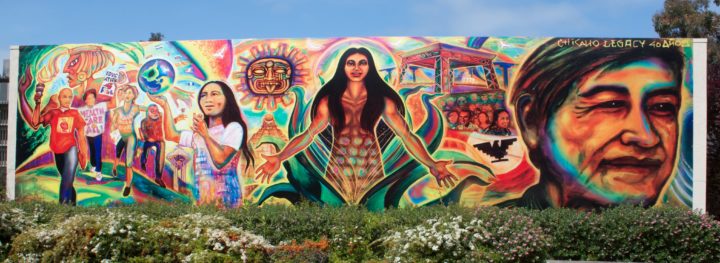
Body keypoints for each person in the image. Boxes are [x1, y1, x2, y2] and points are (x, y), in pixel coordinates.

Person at [256, 47, 457, 204]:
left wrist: (432, 163)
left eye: (362, 63)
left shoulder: (382, 100)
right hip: (336, 170)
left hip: (371, 169)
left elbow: (406, 135)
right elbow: (309, 135)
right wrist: (280, 157)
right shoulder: (329, 100)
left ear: (369, 68)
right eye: (350, 63)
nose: (356, 68)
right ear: (343, 67)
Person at [508, 38, 685, 208]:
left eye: (662, 106)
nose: (645, 137)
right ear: (531, 123)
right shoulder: (493, 230)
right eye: (610, 104)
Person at [149, 81, 254, 208]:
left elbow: (220, 160)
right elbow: (171, 135)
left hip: (228, 201)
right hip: (203, 201)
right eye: (203, 95)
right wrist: (165, 106)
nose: (208, 99)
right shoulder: (200, 133)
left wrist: (205, 134)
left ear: (227, 99)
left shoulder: (233, 128)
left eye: (214, 94)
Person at [29, 88, 90, 205]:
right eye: (64, 97)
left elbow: (81, 136)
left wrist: (83, 154)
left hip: (71, 149)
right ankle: (72, 204)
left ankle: (63, 206)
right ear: (59, 98)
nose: (67, 100)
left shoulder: (75, 113)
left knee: (67, 178)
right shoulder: (53, 113)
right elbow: (35, 122)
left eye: (70, 97)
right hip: (57, 151)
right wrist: (37, 104)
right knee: (67, 180)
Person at [110, 85, 146, 196]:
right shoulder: (117, 110)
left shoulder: (135, 108)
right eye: (126, 92)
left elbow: (149, 109)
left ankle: (128, 185)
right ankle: (115, 168)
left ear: (134, 96)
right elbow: (113, 126)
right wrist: (114, 127)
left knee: (128, 162)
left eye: (130, 93)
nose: (127, 95)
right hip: (121, 136)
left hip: (131, 136)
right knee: (117, 154)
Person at [77, 89, 118, 181]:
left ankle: (99, 172)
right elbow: (72, 113)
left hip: (98, 134)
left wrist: (114, 92)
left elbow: (113, 104)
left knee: (98, 152)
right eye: (88, 98)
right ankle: (94, 165)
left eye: (92, 98)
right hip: (88, 135)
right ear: (85, 100)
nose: (90, 100)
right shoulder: (81, 110)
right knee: (92, 152)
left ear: (95, 99)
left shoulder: (101, 106)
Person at [139, 105, 167, 188]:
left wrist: (177, 119)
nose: (155, 112)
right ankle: (143, 162)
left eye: (156, 110)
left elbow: (168, 123)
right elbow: (143, 132)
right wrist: (148, 138)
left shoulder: (161, 118)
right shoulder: (144, 121)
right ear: (148, 112)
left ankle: (158, 177)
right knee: (145, 149)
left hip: (158, 140)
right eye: (152, 110)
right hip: (149, 140)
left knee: (162, 146)